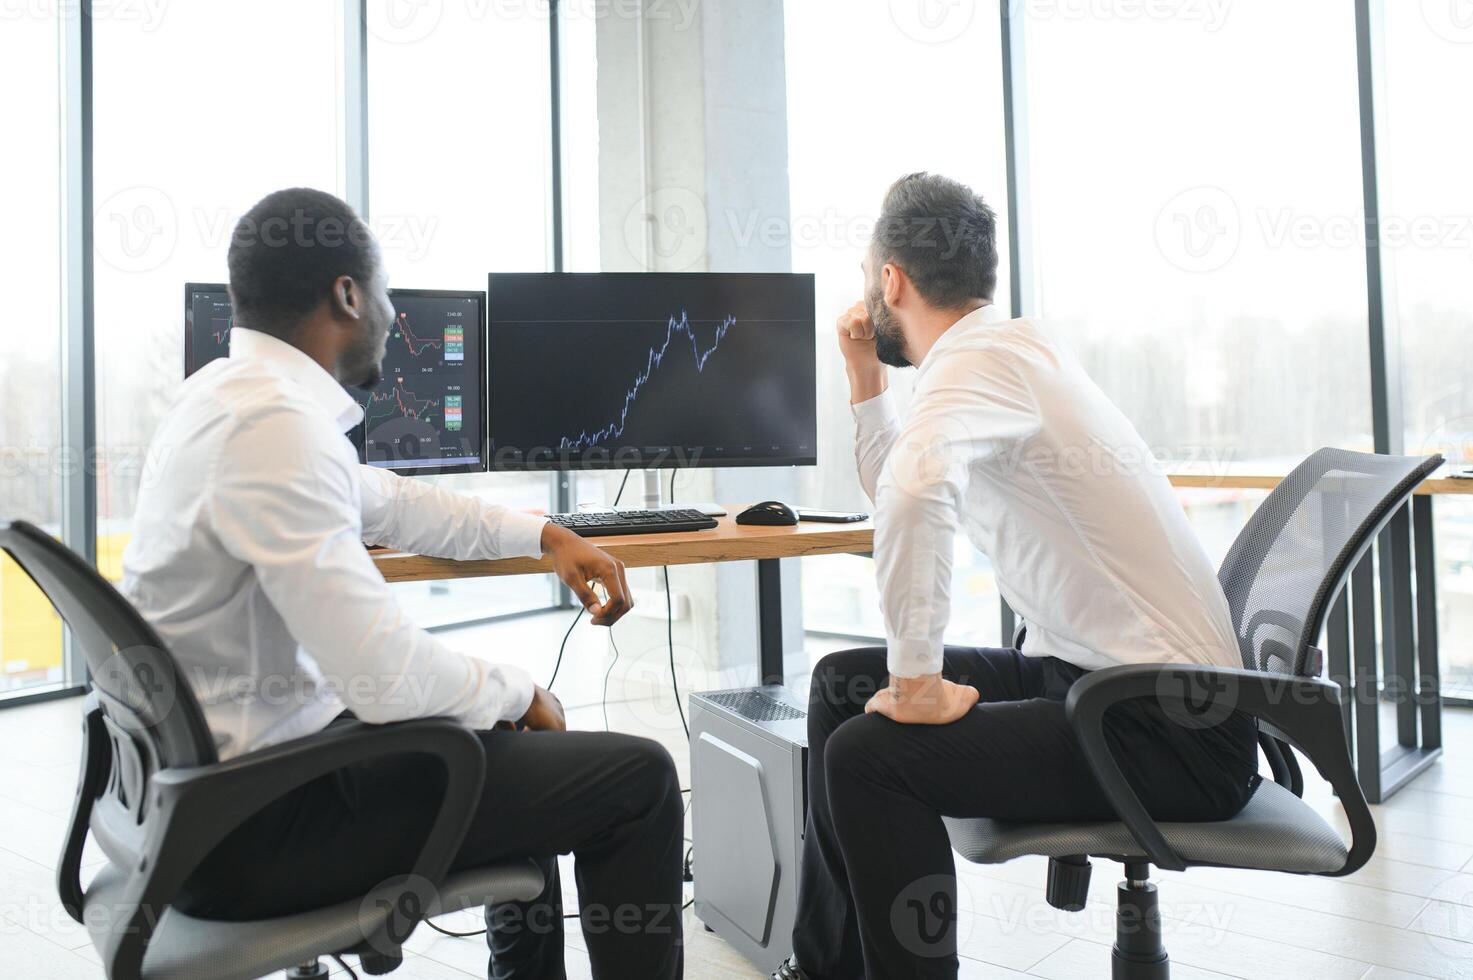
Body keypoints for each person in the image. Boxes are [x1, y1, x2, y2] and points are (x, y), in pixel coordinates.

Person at [122, 188, 684, 980]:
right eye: (384, 291)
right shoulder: (274, 429)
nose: (390, 313)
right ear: (348, 295)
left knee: (492, 732)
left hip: (206, 801)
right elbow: (382, 680)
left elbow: (393, 501)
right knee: (640, 777)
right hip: (260, 827)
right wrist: (520, 690)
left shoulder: (225, 399)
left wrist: (545, 536)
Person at [772, 173, 1259, 980]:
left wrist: (919, 682)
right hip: (1113, 689)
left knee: (869, 755)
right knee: (837, 685)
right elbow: (901, 480)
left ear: (889, 280)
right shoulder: (1000, 353)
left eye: (870, 278)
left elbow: (915, 493)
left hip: (1170, 732)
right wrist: (865, 376)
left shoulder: (980, 366)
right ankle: (824, 970)